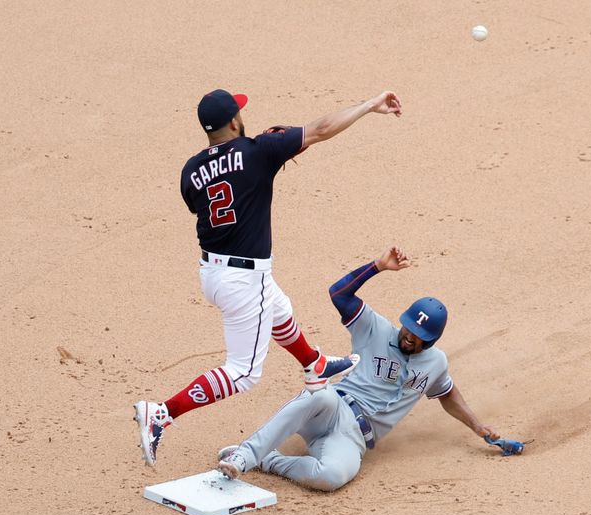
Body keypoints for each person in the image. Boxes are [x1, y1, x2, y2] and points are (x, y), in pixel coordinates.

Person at [133, 89, 403, 466]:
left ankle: (315, 365)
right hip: (244, 279)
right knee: (243, 372)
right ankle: (161, 413)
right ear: (233, 121)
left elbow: (222, 190)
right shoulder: (259, 151)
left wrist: (269, 151)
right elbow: (322, 129)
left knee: (279, 308)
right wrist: (368, 105)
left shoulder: (191, 171)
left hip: (212, 273)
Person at [215, 246, 500, 491]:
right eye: (408, 328)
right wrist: (377, 267)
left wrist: (477, 426)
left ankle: (269, 460)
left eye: (417, 336)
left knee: (332, 476)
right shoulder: (374, 328)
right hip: (333, 406)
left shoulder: (436, 363)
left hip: (353, 440)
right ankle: (245, 455)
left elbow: (447, 394)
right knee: (319, 394)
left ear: (431, 341)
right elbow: (338, 294)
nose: (409, 336)